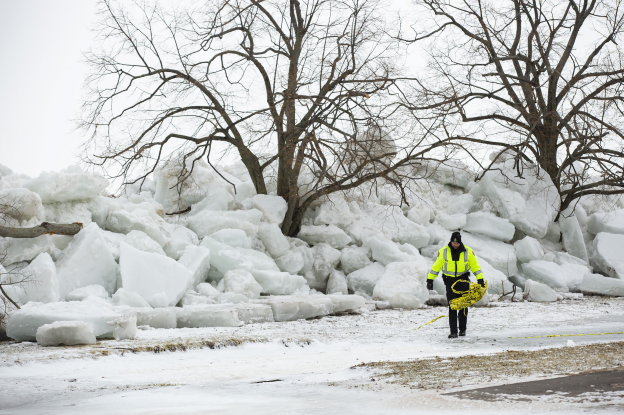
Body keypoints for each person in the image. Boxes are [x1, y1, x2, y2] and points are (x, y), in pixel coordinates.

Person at [426, 231, 485, 338]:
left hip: (463, 281)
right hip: (449, 281)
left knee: (463, 306)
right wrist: (430, 280)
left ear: (460, 242)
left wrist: (480, 279)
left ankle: (462, 330)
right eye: (454, 243)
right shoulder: (443, 252)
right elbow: (436, 267)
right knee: (452, 306)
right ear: (451, 241)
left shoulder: (468, 251)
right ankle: (453, 332)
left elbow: (475, 267)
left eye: (457, 243)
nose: (455, 245)